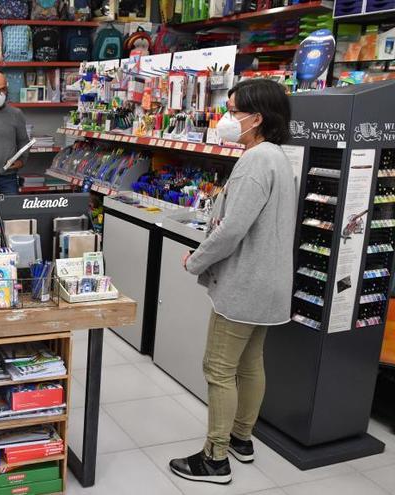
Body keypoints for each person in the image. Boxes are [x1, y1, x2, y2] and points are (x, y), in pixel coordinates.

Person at [169, 79, 296, 485]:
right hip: (271, 283)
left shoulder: (255, 161)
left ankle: (215, 458)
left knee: (219, 368)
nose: (226, 119)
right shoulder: (279, 157)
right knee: (250, 362)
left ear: (257, 118)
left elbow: (230, 231)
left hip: (244, 286)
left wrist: (195, 260)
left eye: (233, 111)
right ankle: (242, 438)